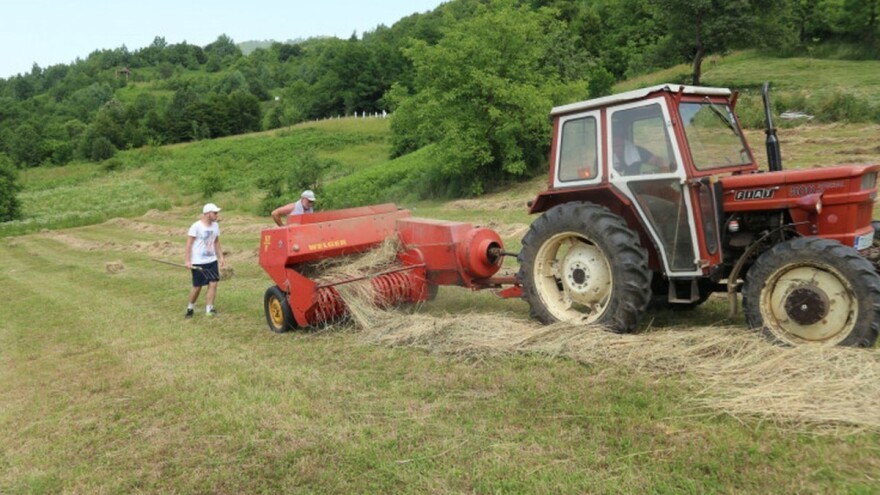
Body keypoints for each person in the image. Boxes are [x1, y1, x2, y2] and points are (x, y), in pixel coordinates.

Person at [184, 203, 225, 318]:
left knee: (213, 283)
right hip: (198, 261)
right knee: (197, 286)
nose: (217, 215)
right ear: (207, 214)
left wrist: (220, 256)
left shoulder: (215, 226)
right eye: (215, 213)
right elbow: (189, 244)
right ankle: (190, 307)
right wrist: (187, 260)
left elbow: (216, 241)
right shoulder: (196, 226)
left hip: (211, 260)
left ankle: (209, 309)